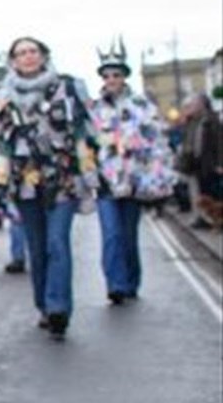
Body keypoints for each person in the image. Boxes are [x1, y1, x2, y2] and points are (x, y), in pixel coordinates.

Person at [0, 36, 98, 341]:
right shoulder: (2, 96)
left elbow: (82, 134)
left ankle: (58, 308)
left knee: (57, 243)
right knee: (37, 248)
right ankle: (44, 306)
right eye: (21, 53)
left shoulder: (67, 87)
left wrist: (89, 173)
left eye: (33, 51)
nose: (27, 57)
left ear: (44, 55)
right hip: (24, 180)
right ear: (12, 61)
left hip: (62, 177)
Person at [90, 45, 175, 304]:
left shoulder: (141, 105)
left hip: (133, 181)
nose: (111, 80)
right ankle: (115, 284)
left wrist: (155, 176)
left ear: (124, 76)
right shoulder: (93, 109)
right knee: (111, 235)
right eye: (107, 75)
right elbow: (86, 144)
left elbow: (157, 141)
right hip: (105, 182)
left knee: (128, 236)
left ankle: (130, 282)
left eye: (116, 74)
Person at [177, 92, 222, 230]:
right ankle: (203, 219)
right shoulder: (191, 121)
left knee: (212, 195)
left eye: (194, 104)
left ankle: (215, 221)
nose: (191, 107)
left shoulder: (211, 120)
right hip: (194, 163)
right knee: (200, 194)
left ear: (202, 105)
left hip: (209, 163)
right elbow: (186, 141)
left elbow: (220, 143)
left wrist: (220, 163)